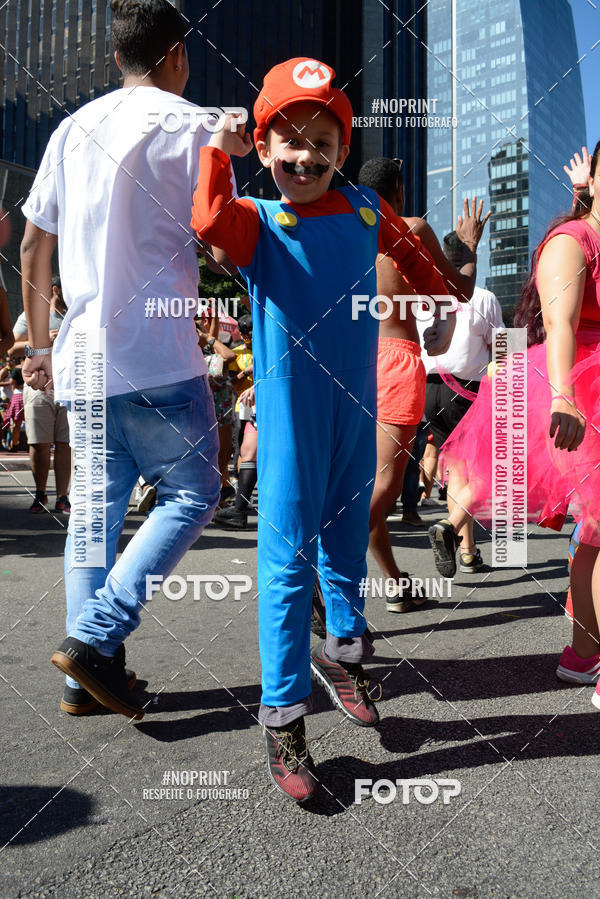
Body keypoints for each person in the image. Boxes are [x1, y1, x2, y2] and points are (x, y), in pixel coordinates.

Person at [191, 57, 453, 802]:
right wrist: (220, 145)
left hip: (355, 409)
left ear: (341, 149)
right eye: (288, 141)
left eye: (321, 140)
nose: (304, 156)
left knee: (344, 545)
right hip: (289, 424)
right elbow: (208, 218)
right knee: (286, 563)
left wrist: (447, 296)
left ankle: (341, 653)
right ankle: (283, 718)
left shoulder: (368, 207)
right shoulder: (260, 220)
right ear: (265, 148)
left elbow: (409, 250)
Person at [21, 0, 223, 719]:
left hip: (83, 360)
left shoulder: (70, 131)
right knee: (194, 493)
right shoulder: (198, 125)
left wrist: (39, 345)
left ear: (117, 59)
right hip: (161, 352)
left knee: (93, 518)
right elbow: (225, 235)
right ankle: (94, 639)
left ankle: (83, 682)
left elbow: (30, 246)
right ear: (176, 55)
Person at [430, 140, 600, 711]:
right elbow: (560, 323)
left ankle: (583, 653)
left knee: (596, 534)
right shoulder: (572, 242)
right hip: (578, 390)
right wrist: (563, 396)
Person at [358, 157, 489, 611]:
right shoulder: (409, 227)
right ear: (397, 190)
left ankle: (394, 583)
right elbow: (459, 292)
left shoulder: (341, 229)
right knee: (386, 485)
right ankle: (318, 559)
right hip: (395, 360)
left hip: (350, 364)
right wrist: (469, 248)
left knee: (362, 485)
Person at [418, 231, 504, 573]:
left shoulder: (424, 299)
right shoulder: (483, 298)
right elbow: (504, 351)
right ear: (470, 258)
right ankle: (450, 529)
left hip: (430, 390)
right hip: (467, 392)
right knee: (487, 471)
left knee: (457, 470)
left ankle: (467, 551)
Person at [12, 275, 71, 512]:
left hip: (69, 385)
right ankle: (40, 493)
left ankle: (63, 496)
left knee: (65, 443)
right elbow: (12, 346)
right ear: (55, 289)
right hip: (38, 385)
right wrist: (44, 340)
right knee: (39, 442)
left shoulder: (79, 313)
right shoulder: (33, 314)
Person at [1, 366, 24, 451]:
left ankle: (14, 445)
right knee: (30, 423)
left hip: (17, 396)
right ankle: (31, 446)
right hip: (28, 396)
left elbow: (13, 383)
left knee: (16, 425)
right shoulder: (32, 367)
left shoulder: (16, 369)